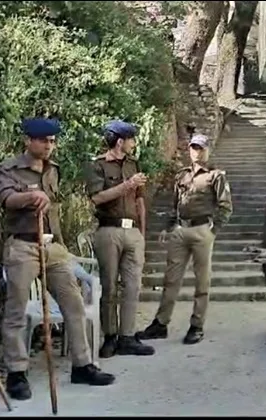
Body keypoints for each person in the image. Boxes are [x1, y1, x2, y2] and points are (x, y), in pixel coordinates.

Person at [0, 117, 115, 401]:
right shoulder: (7, 169)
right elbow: (7, 199)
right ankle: (17, 374)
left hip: (52, 248)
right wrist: (31, 197)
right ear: (28, 141)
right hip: (22, 246)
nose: (49, 146)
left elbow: (53, 209)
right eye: (43, 141)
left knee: (73, 303)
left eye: (52, 141)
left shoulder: (53, 170)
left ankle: (82, 365)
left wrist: (61, 244)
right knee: (16, 312)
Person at [137, 134, 233, 345]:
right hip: (181, 230)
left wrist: (213, 230)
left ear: (207, 151)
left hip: (201, 230)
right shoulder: (182, 175)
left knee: (202, 281)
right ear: (189, 150)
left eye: (201, 148)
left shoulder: (215, 176)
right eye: (194, 148)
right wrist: (168, 226)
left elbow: (226, 206)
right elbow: (175, 205)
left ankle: (197, 326)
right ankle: (160, 324)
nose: (197, 152)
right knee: (171, 279)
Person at [85, 120, 155, 358]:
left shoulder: (134, 164)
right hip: (109, 230)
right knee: (109, 286)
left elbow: (140, 201)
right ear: (120, 142)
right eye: (131, 139)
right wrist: (126, 185)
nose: (134, 144)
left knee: (133, 286)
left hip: (132, 232)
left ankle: (127, 336)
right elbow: (96, 198)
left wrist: (142, 234)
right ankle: (110, 336)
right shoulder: (98, 166)